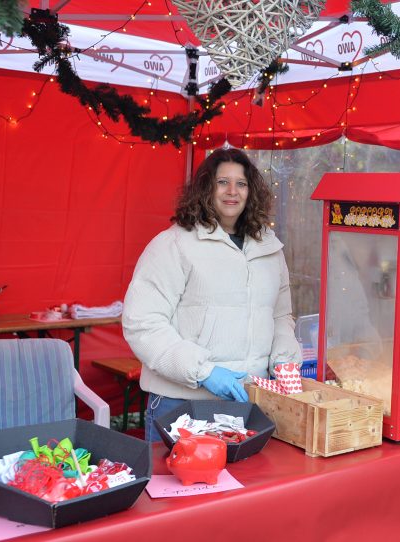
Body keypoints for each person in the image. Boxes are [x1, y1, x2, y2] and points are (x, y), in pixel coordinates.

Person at [122, 147, 301, 442]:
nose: (232, 191)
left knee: (248, 489)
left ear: (251, 192)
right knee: (185, 486)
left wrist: (283, 361)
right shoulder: (173, 245)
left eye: (241, 184)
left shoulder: (269, 248)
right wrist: (203, 371)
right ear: (206, 188)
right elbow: (142, 323)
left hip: (249, 404)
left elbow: (280, 316)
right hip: (181, 405)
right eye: (222, 182)